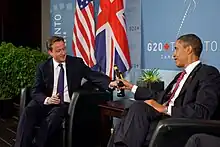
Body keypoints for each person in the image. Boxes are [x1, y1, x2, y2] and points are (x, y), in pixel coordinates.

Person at [108, 33, 220, 147]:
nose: (173, 55)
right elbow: (160, 96)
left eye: (176, 49)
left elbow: (202, 111)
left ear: (189, 49)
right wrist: (131, 87)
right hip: (162, 118)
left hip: (179, 123)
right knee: (129, 118)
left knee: (134, 117)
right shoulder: (180, 76)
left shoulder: (208, 73)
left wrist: (165, 109)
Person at [14, 36, 117, 147]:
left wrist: (109, 83)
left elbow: (92, 75)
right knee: (28, 111)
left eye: (64, 49)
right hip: (46, 101)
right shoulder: (43, 67)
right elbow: (35, 91)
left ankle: (37, 144)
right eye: (58, 51)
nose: (63, 53)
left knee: (55, 115)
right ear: (50, 52)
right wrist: (47, 99)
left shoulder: (76, 63)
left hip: (63, 104)